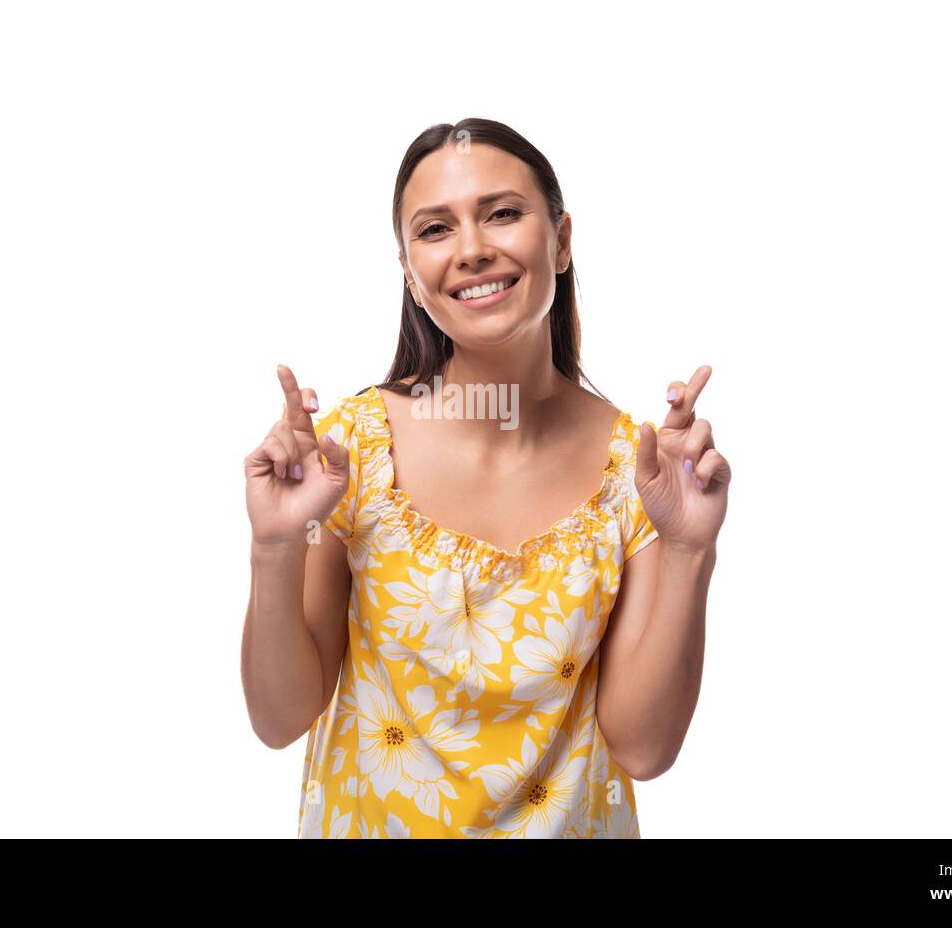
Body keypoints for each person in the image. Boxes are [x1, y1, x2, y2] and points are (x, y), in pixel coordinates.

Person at [240, 118, 731, 838]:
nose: (472, 250)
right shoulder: (350, 451)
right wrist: (275, 545)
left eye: (502, 213)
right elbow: (280, 720)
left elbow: (644, 748)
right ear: (409, 272)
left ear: (561, 241)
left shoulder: (641, 468)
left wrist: (690, 550)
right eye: (436, 229)